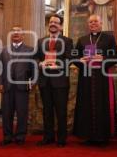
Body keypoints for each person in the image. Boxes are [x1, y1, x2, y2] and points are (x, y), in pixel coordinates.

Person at [73, 14, 117, 146]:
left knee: (102, 104)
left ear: (101, 23)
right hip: (86, 77)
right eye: (91, 22)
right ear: (88, 24)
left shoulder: (109, 38)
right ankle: (87, 135)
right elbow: (75, 58)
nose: (93, 23)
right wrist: (80, 60)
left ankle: (102, 136)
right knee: (86, 104)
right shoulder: (82, 39)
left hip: (102, 77)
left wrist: (103, 58)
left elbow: (115, 56)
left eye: (96, 21)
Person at [35, 14, 73, 147]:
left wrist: (57, 64)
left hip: (60, 81)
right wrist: (40, 63)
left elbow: (69, 59)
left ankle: (61, 138)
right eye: (51, 22)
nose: (53, 24)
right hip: (44, 81)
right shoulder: (41, 41)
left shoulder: (67, 41)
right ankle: (48, 137)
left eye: (56, 22)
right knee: (47, 110)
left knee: (61, 111)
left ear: (61, 26)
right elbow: (36, 58)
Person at [0, 25, 35, 146]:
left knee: (22, 113)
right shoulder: (3, 50)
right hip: (7, 86)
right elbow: (0, 68)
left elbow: (33, 68)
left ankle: (20, 136)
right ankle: (7, 136)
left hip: (22, 86)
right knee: (6, 113)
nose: (16, 33)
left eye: (19, 31)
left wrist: (33, 81)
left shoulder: (30, 50)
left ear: (23, 35)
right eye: (13, 31)